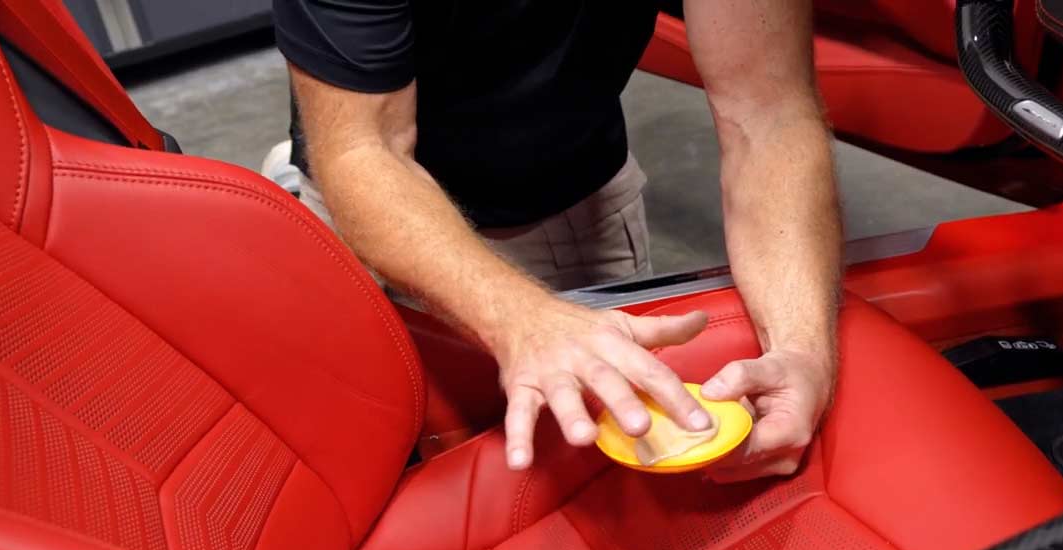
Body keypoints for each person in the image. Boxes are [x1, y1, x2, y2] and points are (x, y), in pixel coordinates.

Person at [272, 0, 842, 482]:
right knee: (372, 466)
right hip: (373, 184)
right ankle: (295, 183)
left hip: (562, 193)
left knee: (605, 471)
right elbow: (362, 151)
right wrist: (523, 319)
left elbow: (767, 113)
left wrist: (801, 350)